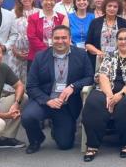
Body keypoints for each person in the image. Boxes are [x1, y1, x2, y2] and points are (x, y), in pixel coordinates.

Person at [22, 25, 94, 153]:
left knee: (65, 144)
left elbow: (89, 77)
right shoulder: (40, 57)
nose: (60, 41)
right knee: (28, 116)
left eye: (64, 38)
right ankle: (36, 139)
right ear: (51, 39)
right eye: (57, 38)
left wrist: (73, 86)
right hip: (45, 101)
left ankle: (57, 128)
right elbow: (31, 85)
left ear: (70, 38)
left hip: (66, 104)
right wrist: (47, 100)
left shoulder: (81, 55)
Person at [81, 28, 126, 161]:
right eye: (120, 39)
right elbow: (102, 75)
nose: (123, 42)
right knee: (94, 103)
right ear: (116, 41)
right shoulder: (109, 56)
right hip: (107, 89)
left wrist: (120, 95)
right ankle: (92, 146)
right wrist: (110, 96)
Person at [86, 0, 126, 70]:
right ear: (105, 7)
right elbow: (88, 44)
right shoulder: (95, 22)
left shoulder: (123, 23)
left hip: (119, 60)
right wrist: (98, 52)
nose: (112, 8)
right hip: (98, 60)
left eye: (115, 7)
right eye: (109, 6)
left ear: (118, 9)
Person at [27, 0, 65, 70]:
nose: (49, 2)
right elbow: (31, 37)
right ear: (41, 2)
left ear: (55, 2)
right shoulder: (33, 18)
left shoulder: (61, 18)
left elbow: (64, 35)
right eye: (46, 0)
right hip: (37, 56)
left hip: (57, 56)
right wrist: (47, 51)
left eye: (51, 0)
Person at [9, 0, 39, 86]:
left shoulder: (39, 12)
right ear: (20, 0)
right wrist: (15, 51)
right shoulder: (12, 13)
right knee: (15, 80)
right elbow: (8, 33)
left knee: (30, 78)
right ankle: (14, 99)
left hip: (33, 52)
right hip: (16, 53)